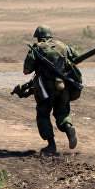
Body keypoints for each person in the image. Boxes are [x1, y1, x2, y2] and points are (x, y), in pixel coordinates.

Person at [23, 25, 80, 154]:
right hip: (63, 86)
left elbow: (26, 71)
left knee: (43, 115)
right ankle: (68, 127)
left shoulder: (37, 48)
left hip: (45, 88)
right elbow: (76, 59)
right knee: (62, 113)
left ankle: (51, 145)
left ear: (38, 37)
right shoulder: (62, 46)